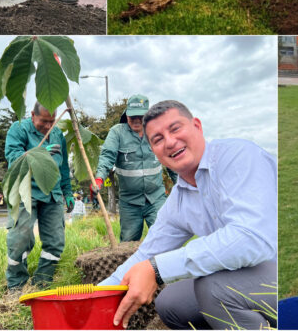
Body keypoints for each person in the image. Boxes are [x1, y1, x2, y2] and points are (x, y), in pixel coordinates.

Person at [101, 100, 276, 330]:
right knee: (171, 303)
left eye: (175, 129)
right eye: (158, 139)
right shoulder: (179, 198)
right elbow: (146, 254)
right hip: (242, 275)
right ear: (154, 151)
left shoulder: (238, 157)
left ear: (197, 126)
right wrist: (94, 295)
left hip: (276, 268)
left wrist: (156, 269)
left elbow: (251, 239)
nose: (170, 142)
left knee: (214, 289)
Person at [4, 102, 73, 289]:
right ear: (33, 115)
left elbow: (64, 167)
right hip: (27, 192)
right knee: (20, 239)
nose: (49, 126)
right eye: (44, 121)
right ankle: (16, 285)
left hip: (53, 194)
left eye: (52, 121)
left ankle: (42, 283)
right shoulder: (18, 129)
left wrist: (68, 192)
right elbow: (13, 157)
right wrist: (39, 153)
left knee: (55, 242)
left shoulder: (58, 135)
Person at [94, 95, 177, 242]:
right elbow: (107, 156)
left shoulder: (157, 132)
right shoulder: (117, 133)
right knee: (128, 243)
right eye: (133, 116)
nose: (137, 120)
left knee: (164, 239)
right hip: (129, 203)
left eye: (141, 116)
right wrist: (100, 177)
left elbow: (171, 160)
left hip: (156, 198)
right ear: (126, 114)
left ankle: (159, 265)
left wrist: (183, 184)